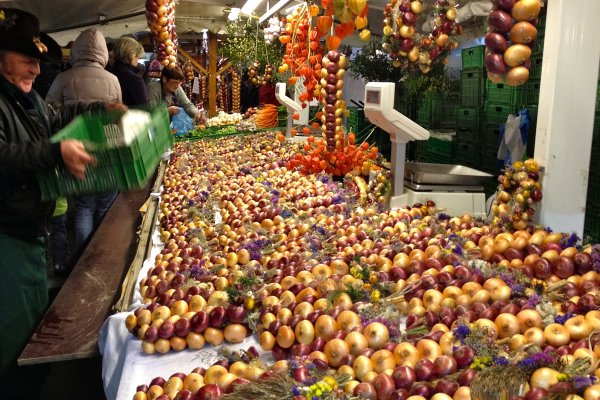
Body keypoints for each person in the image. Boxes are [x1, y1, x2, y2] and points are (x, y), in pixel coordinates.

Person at [0, 8, 125, 398]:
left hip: (30, 229)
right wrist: (55, 153)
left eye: (38, 62)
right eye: (27, 60)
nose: (36, 70)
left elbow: (55, 116)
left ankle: (32, 385)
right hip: (5, 238)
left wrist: (97, 110)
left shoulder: (27, 98)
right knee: (10, 333)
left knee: (32, 324)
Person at [46, 28, 122, 261]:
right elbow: (119, 113)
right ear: (103, 53)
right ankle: (101, 256)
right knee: (104, 205)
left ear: (77, 50)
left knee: (83, 206)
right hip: (106, 150)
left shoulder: (63, 78)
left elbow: (49, 112)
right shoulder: (113, 80)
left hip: (75, 150)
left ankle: (82, 260)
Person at [109, 36, 148, 107]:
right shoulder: (134, 79)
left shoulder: (109, 73)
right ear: (130, 54)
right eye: (137, 56)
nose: (138, 59)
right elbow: (144, 108)